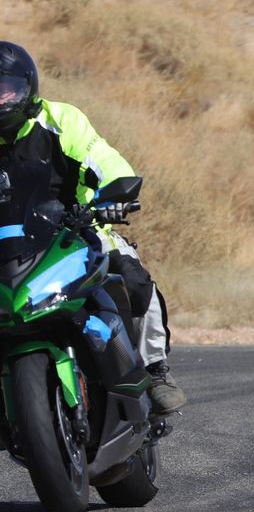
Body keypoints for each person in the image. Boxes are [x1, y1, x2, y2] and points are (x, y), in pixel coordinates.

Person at [0, 42, 184, 413]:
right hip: (6, 247)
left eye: (7, 88)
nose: (1, 99)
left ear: (28, 88)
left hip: (72, 232)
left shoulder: (61, 120)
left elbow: (103, 158)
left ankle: (155, 368)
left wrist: (114, 193)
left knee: (132, 276)